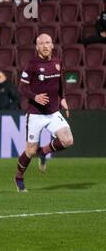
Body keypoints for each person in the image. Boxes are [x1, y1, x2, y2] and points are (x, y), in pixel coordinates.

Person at [15, 34, 74, 192]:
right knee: (30, 151)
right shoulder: (32, 64)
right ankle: (19, 177)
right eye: (41, 43)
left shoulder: (57, 61)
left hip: (53, 112)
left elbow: (60, 82)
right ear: (37, 47)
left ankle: (43, 152)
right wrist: (35, 96)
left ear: (52, 45)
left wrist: (63, 99)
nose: (45, 46)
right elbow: (22, 88)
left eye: (48, 43)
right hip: (35, 114)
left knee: (68, 140)